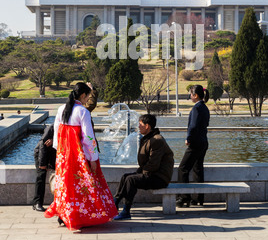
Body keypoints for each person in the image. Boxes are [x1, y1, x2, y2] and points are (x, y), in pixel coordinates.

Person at [44, 82, 117, 231]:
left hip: (64, 155)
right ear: (83, 95)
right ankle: (80, 215)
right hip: (79, 155)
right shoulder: (83, 112)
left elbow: (57, 131)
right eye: (87, 97)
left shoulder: (61, 109)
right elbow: (88, 138)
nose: (87, 100)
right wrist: (93, 158)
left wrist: (60, 151)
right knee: (83, 185)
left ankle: (63, 215)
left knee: (65, 185)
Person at [114, 114, 174, 220]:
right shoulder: (148, 138)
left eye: (140, 124)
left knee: (131, 180)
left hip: (159, 178)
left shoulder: (157, 140)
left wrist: (141, 173)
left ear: (147, 126)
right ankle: (114, 204)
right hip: (152, 174)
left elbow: (153, 164)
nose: (138, 126)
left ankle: (126, 211)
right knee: (125, 177)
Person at [176, 85, 210, 208]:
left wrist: (188, 138)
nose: (190, 96)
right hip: (203, 142)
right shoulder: (204, 107)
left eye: (191, 94)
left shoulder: (196, 108)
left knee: (183, 169)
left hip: (195, 143)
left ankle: (184, 198)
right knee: (197, 169)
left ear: (195, 95)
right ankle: (198, 198)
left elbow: (193, 126)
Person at [32, 124, 56, 212]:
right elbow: (43, 144)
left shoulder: (67, 127)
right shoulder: (51, 128)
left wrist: (54, 140)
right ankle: (37, 203)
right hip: (41, 154)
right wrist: (42, 164)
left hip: (53, 156)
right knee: (41, 176)